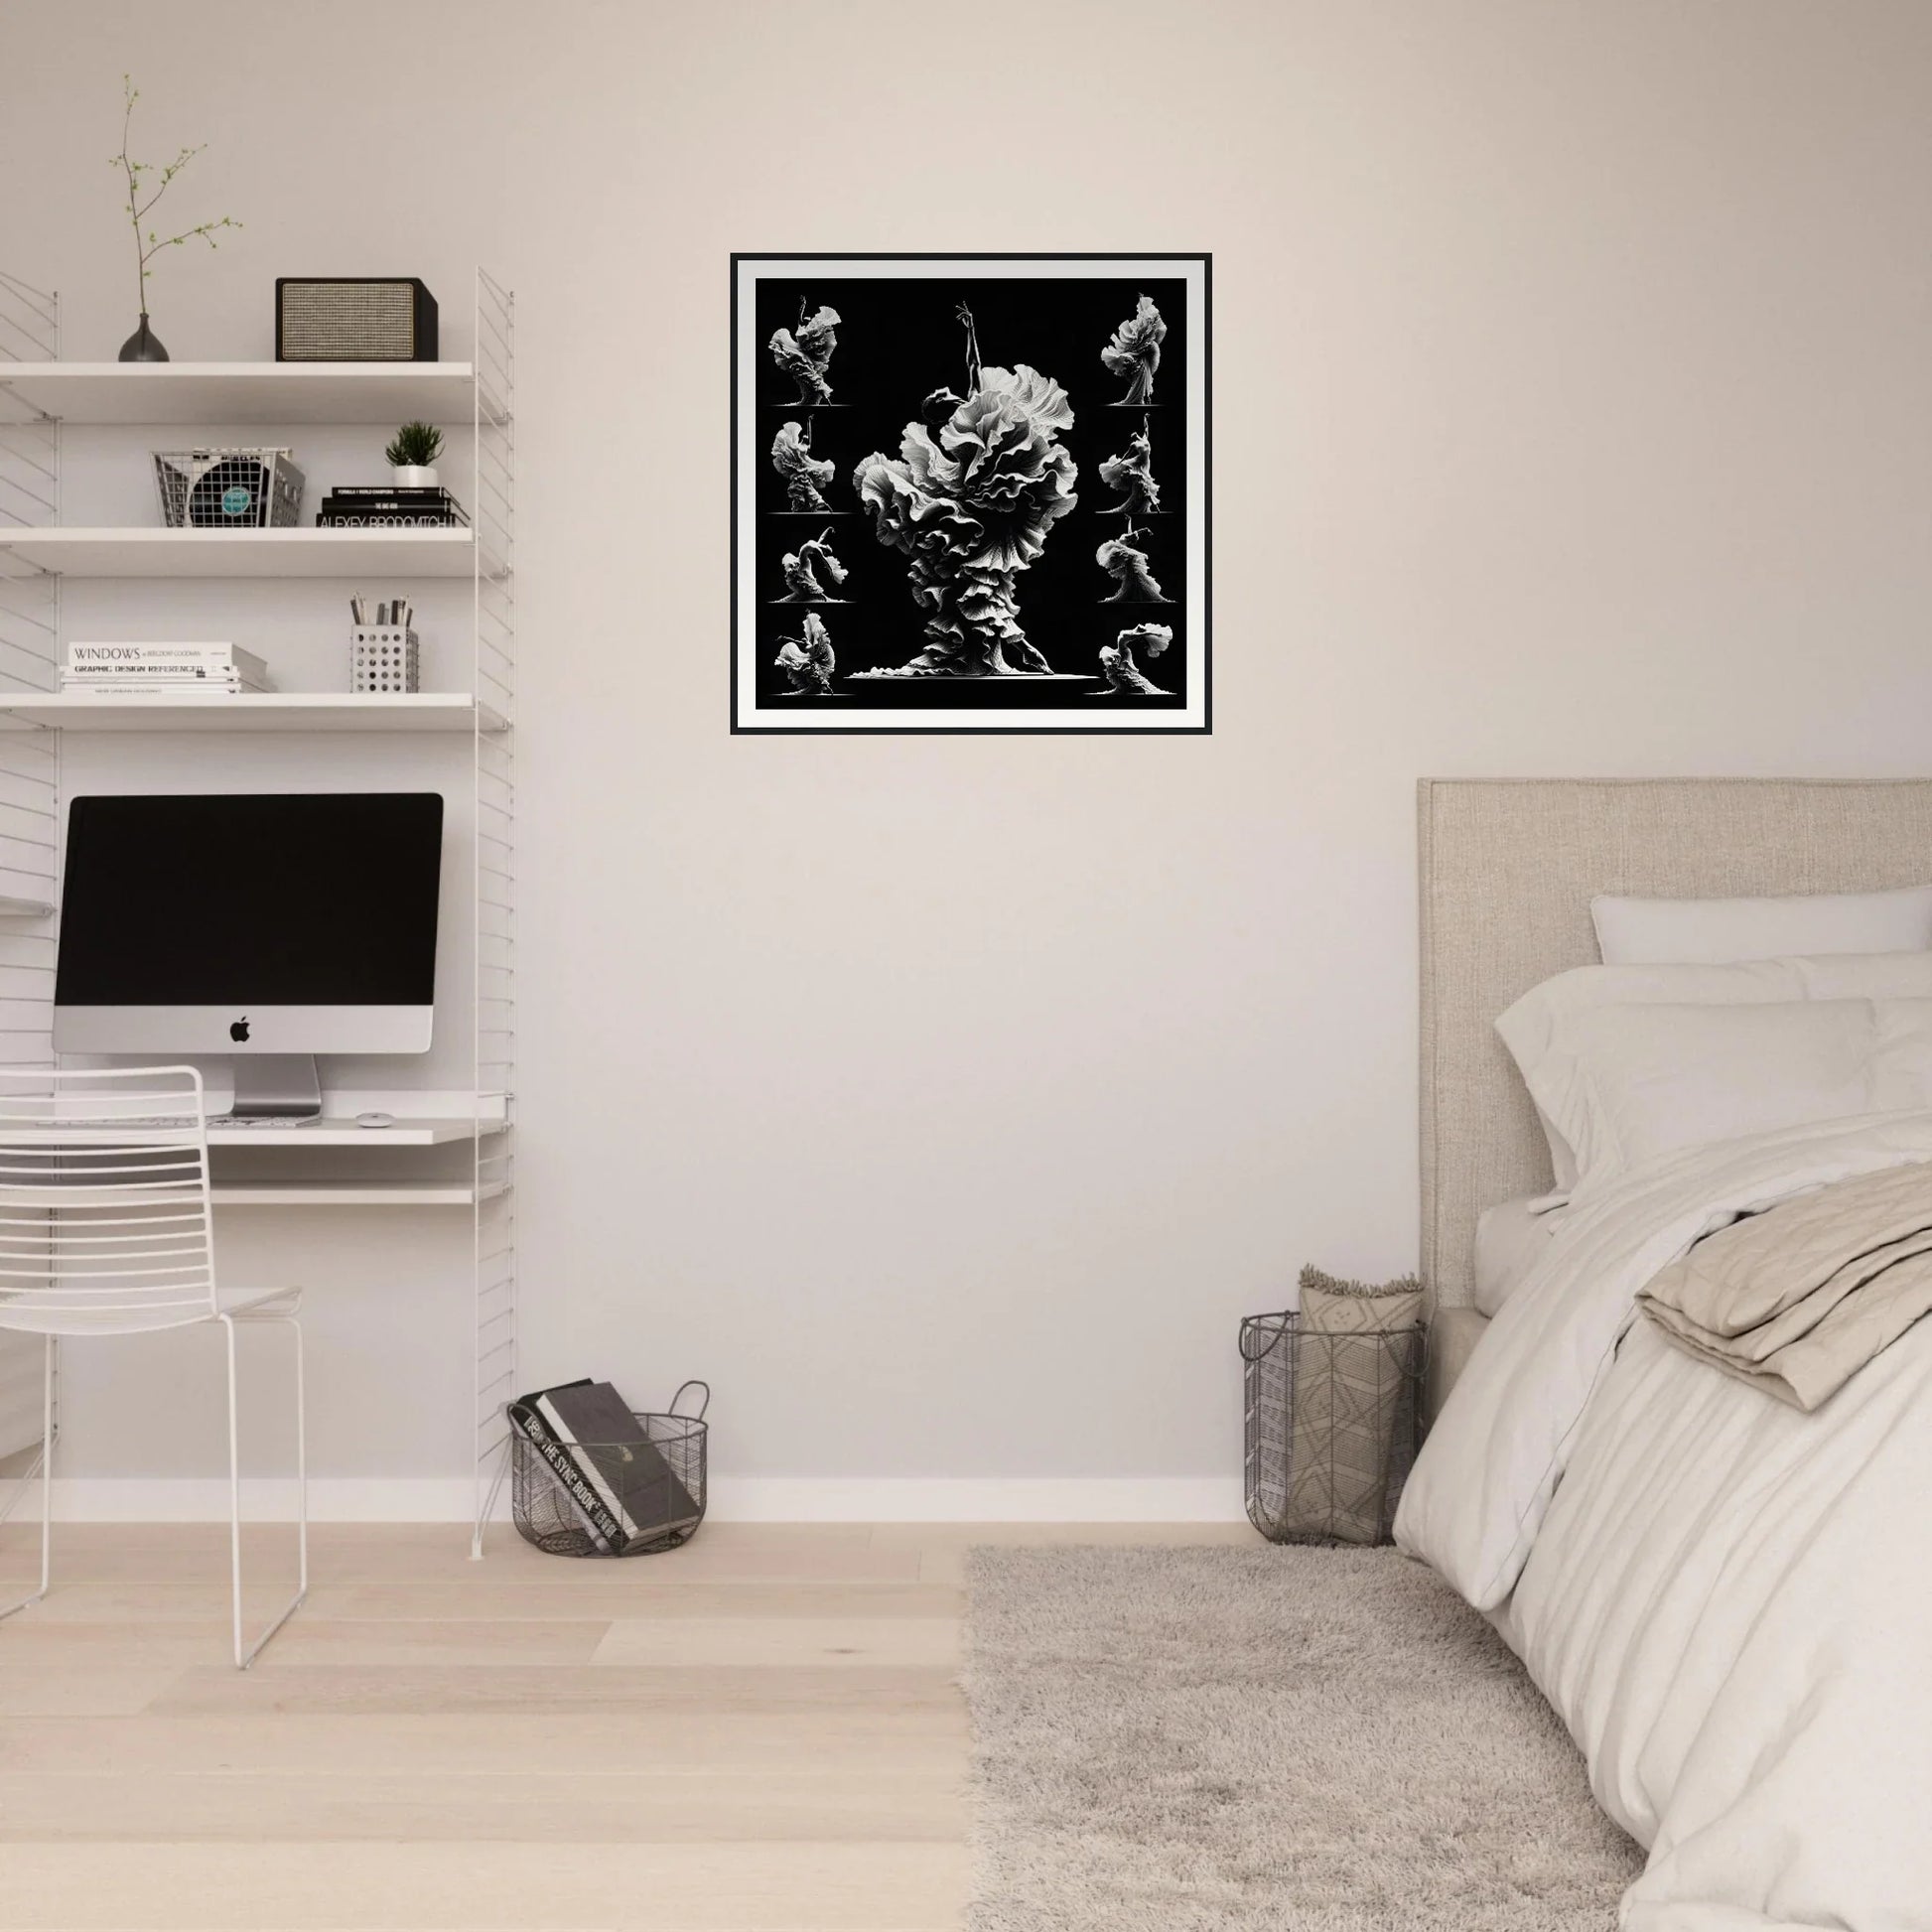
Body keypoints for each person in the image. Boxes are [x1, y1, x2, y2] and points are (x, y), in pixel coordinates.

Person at [768, 301, 841, 406]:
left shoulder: (812, 333)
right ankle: (815, 398)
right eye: (806, 320)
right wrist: (802, 307)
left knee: (812, 378)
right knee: (808, 377)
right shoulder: (802, 330)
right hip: (801, 352)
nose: (807, 321)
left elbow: (819, 340)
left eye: (808, 320)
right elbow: (800, 319)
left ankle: (824, 400)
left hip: (806, 355)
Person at [771, 420, 835, 513]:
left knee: (805, 489)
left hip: (803, 469)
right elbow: (789, 450)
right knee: (801, 490)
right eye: (804, 436)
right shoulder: (796, 446)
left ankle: (818, 505)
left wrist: (809, 422)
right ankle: (805, 507)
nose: (805, 436)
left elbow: (810, 436)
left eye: (806, 437)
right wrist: (808, 421)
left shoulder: (806, 447)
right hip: (799, 471)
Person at [776, 528, 848, 602]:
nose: (825, 554)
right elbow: (824, 560)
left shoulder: (817, 544)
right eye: (825, 552)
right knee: (806, 576)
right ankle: (803, 594)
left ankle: (804, 592)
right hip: (803, 558)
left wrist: (829, 529)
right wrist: (830, 571)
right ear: (825, 549)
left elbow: (822, 537)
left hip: (803, 557)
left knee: (806, 575)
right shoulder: (817, 549)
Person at [774, 612, 836, 695]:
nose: (803, 640)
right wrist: (784, 638)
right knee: (815, 676)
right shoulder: (806, 644)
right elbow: (794, 640)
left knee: (818, 677)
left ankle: (824, 689)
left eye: (804, 639)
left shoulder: (812, 644)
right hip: (812, 658)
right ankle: (819, 688)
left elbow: (814, 644)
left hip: (815, 658)